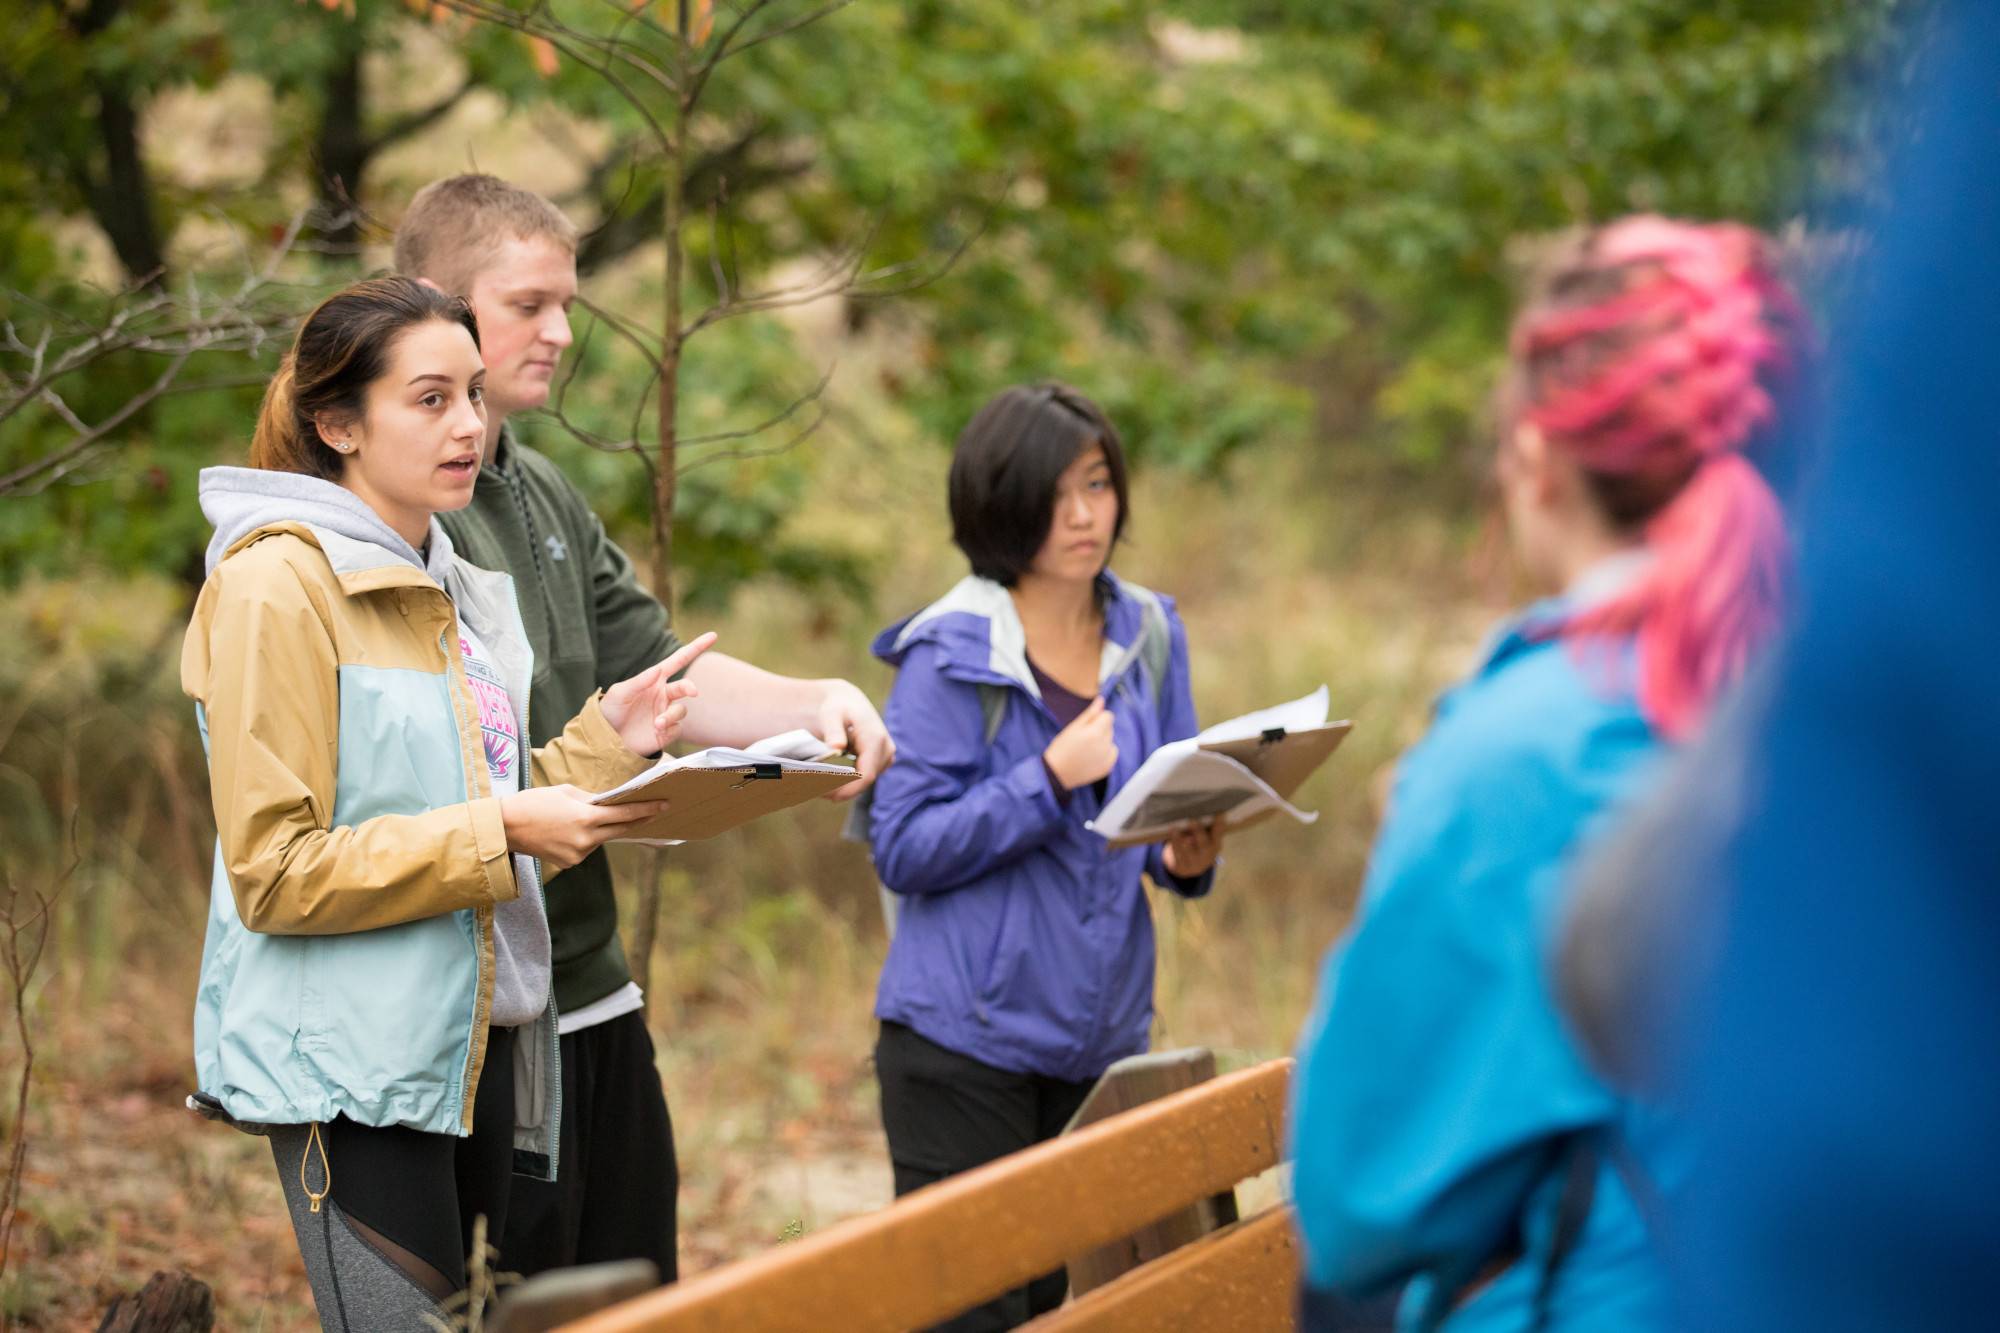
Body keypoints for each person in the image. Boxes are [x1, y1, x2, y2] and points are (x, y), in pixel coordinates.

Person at [1288, 217, 1803, 1332]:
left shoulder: (1520, 754)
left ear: (1535, 456)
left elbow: (1359, 1199)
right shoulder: (1863, 703)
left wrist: (1427, 846)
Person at [184, 276, 713, 1329]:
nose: (469, 424)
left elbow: (478, 813)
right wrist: (506, 826)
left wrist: (611, 742)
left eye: (473, 394)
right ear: (338, 423)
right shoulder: (273, 585)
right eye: (430, 399)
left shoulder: (445, 572)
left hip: (476, 1047)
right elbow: (276, 871)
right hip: (351, 1068)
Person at [393, 174, 895, 1283]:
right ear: (432, 301)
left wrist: (817, 704)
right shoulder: (390, 506)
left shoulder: (547, 493)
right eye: (528, 303)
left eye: (566, 302)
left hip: (593, 985)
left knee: (635, 1288)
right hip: (466, 1018)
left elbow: (660, 682)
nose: (561, 331)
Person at [864, 382, 1224, 1332]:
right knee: (972, 1311)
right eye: (1056, 491)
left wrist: (1186, 854)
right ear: (1000, 501)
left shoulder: (1149, 633)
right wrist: (1049, 778)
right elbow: (902, 844)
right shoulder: (950, 653)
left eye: (1099, 485)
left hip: (1101, 1037)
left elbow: (1158, 806)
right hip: (962, 1048)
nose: (1083, 514)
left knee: (1065, 1310)